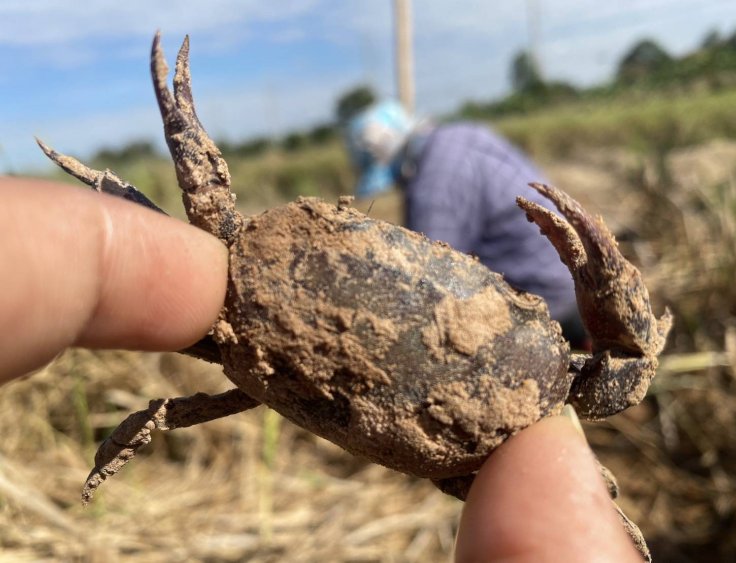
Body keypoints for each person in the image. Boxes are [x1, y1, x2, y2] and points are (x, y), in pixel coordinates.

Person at [0, 176, 640, 560]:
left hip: (478, 446)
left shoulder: (518, 446)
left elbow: (628, 371)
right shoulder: (227, 316)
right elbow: (629, 369)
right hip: (471, 445)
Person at [345, 101, 589, 349]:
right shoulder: (458, 136)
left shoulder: (434, 182)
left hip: (546, 299)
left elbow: (427, 282)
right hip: (571, 278)